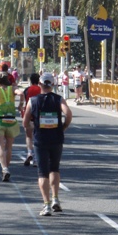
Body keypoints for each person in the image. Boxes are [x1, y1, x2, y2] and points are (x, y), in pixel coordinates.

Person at [23, 72, 72, 216]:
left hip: (40, 139)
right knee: (55, 169)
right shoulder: (59, 99)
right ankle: (56, 198)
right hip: (56, 138)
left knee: (42, 172)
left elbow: (26, 122)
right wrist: (63, 126)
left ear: (40, 84)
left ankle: (46, 205)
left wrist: (34, 127)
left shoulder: (33, 100)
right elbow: (68, 114)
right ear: (53, 84)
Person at [0, 71, 25, 182]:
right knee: (9, 146)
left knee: (0, 146)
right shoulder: (12, 89)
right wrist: (20, 105)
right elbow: (21, 93)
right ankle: (6, 168)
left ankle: (4, 168)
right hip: (11, 120)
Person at [22, 73, 42, 167]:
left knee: (29, 136)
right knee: (38, 137)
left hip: (29, 114)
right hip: (40, 116)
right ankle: (36, 159)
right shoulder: (41, 90)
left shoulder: (27, 90)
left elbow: (25, 101)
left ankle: (30, 153)